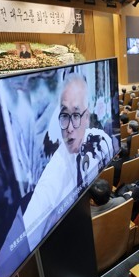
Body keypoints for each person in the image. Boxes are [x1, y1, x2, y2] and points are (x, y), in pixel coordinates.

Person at [22, 74, 113, 250]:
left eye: (77, 114)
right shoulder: (56, 167)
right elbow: (33, 220)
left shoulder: (101, 140)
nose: (69, 128)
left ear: (87, 117)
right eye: (64, 115)